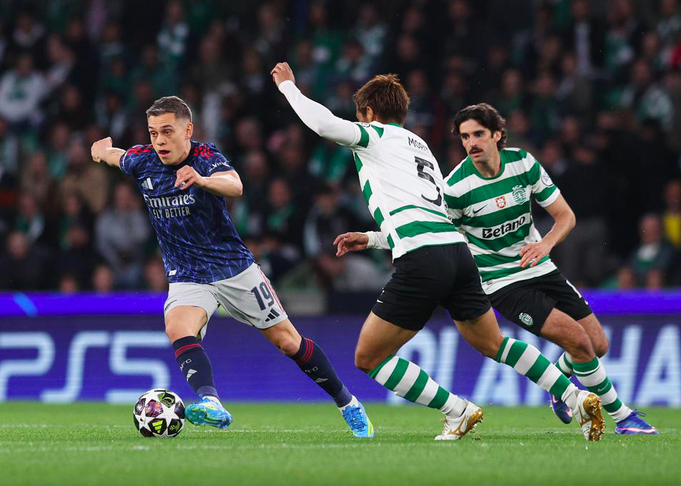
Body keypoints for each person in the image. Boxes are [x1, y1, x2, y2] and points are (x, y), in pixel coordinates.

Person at [271, 63, 604, 441]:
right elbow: (427, 214)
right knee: (494, 343)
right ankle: (574, 396)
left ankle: (457, 410)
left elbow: (323, 124)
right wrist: (374, 238)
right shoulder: (420, 147)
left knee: (369, 358)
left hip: (422, 257)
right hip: (457, 253)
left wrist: (289, 88)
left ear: (368, 112)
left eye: (360, 114)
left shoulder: (374, 135)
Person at [341, 103, 657, 435]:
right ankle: (623, 417)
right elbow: (428, 229)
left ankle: (558, 383)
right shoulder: (455, 188)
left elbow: (566, 216)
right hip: (501, 281)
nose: (471, 143)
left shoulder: (523, 163)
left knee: (597, 344)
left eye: (478, 134)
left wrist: (545, 245)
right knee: (578, 340)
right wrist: (372, 239)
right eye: (465, 137)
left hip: (541, 267)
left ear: (497, 134)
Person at [90, 95, 373, 438]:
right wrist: (102, 150)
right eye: (153, 133)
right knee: (178, 328)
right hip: (187, 274)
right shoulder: (143, 160)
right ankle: (211, 402)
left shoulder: (206, 157)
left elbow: (235, 185)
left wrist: (201, 180)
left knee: (289, 343)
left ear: (187, 130)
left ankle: (347, 402)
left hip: (234, 270)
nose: (159, 141)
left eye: (167, 131)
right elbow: (117, 156)